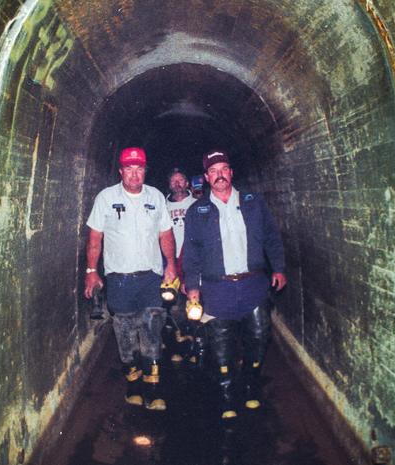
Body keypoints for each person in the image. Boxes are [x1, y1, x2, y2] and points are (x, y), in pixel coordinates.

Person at [182, 150, 288, 419]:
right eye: (213, 171)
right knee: (220, 345)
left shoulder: (253, 202)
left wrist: (278, 268)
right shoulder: (198, 211)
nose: (219, 175)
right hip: (217, 290)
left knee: (259, 336)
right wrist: (192, 285)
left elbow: (271, 237)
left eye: (224, 169)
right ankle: (228, 393)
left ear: (231, 173)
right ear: (207, 178)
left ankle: (251, 383)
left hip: (253, 285)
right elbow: (192, 251)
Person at [84, 147, 178, 411]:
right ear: (121, 171)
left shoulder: (156, 197)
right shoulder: (106, 198)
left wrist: (170, 264)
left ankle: (154, 388)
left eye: (139, 169)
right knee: (125, 333)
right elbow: (95, 238)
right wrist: (92, 272)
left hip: (150, 278)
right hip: (120, 280)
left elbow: (165, 235)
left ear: (145, 170)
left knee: (152, 330)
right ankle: (133, 386)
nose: (135, 174)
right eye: (129, 168)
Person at [164, 169, 199, 363]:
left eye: (181, 180)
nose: (177, 184)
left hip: (192, 260)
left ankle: (195, 346)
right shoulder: (163, 205)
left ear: (187, 183)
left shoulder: (196, 204)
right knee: (174, 305)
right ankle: (179, 345)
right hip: (171, 261)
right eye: (173, 181)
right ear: (169, 184)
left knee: (195, 303)